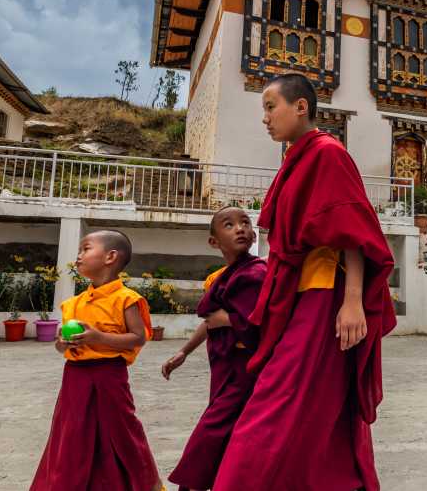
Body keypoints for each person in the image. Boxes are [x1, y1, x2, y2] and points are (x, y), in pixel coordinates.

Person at [212, 73, 396, 490]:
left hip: (324, 297)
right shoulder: (297, 158)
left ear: (301, 107)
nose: (265, 118)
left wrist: (352, 302)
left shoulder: (328, 153)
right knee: (317, 403)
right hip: (296, 295)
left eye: (270, 106)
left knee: (276, 402)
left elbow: (353, 229)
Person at [31, 230, 163, 491]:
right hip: (75, 376)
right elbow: (61, 347)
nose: (78, 256)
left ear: (110, 257)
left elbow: (138, 338)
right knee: (72, 433)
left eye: (85, 249)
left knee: (120, 432)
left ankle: (140, 484)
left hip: (109, 375)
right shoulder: (73, 303)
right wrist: (63, 343)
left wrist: (98, 337)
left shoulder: (127, 299)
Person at [163, 206, 267, 491]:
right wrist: (184, 351)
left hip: (244, 368)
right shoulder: (224, 276)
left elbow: (263, 323)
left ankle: (192, 484)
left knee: (213, 428)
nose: (240, 228)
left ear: (254, 233)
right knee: (227, 428)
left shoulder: (257, 273)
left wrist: (230, 320)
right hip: (223, 368)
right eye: (229, 224)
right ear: (214, 241)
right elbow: (211, 321)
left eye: (245, 222)